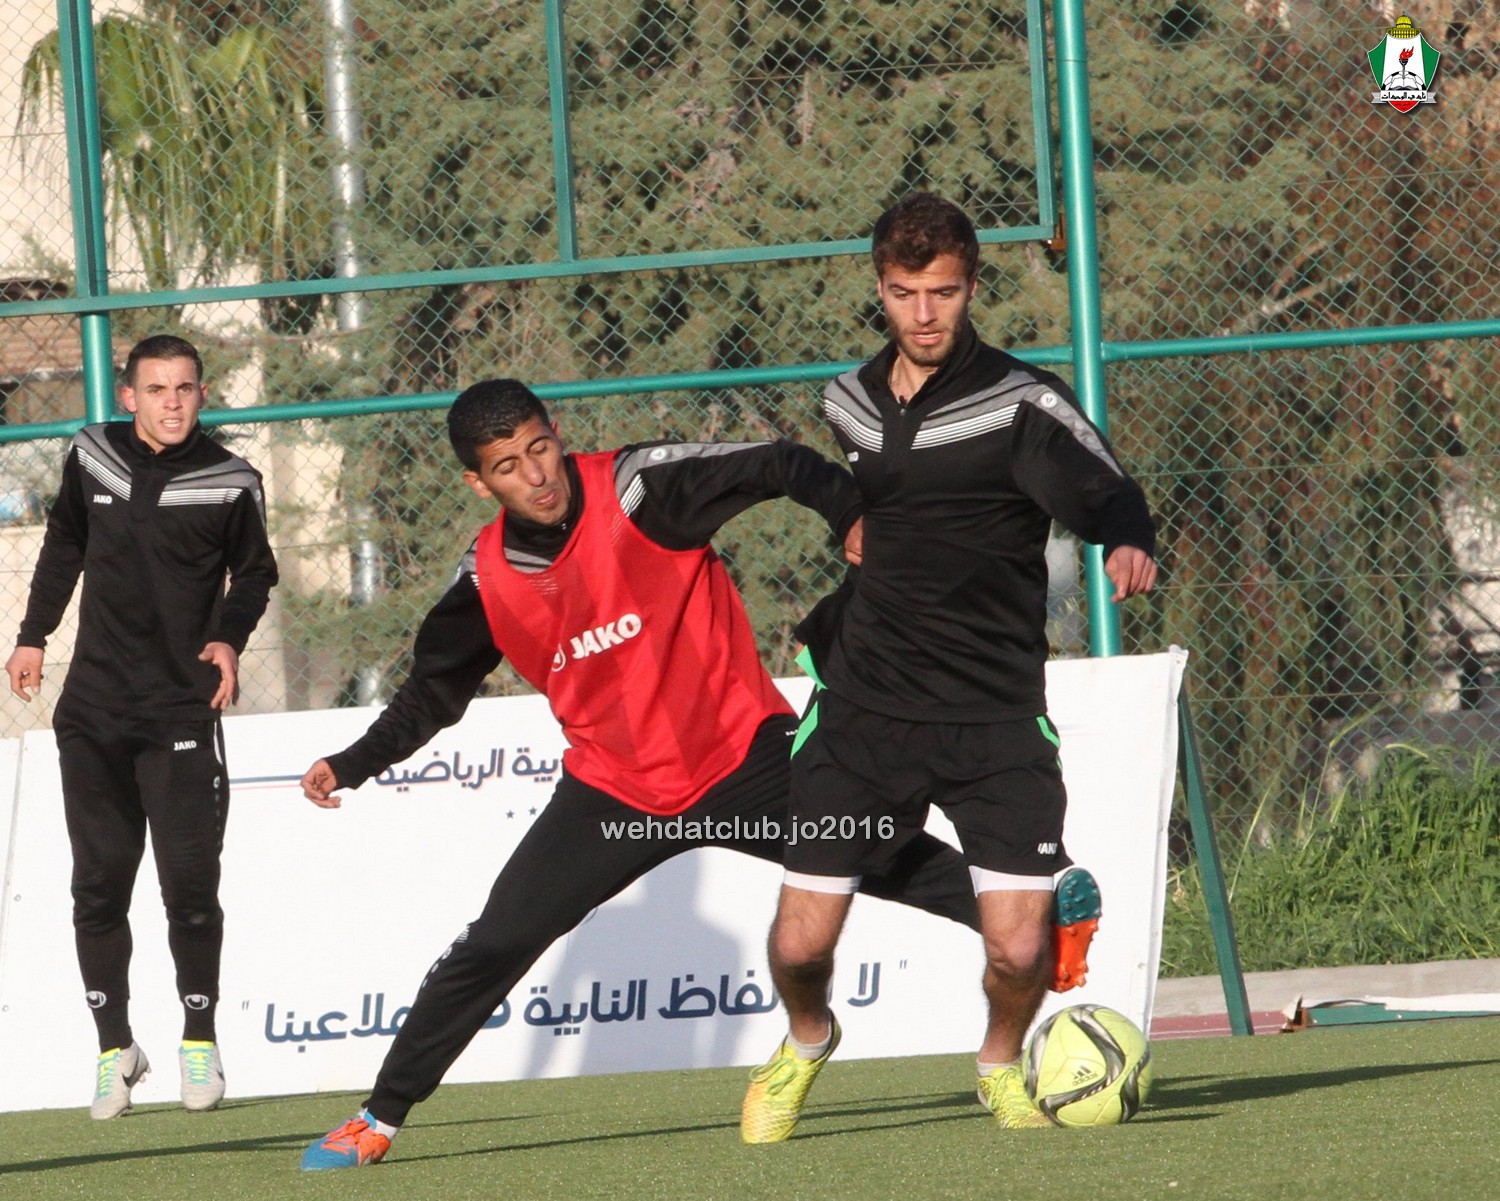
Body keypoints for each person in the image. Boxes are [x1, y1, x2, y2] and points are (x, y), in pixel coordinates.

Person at [297, 378, 982, 1170]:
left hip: (740, 755)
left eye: (540, 447)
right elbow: (431, 696)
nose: (537, 474)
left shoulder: (640, 489)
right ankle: (377, 1117)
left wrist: (850, 513)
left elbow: (780, 463)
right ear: (479, 483)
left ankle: (1028, 908)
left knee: (879, 847)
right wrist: (353, 762)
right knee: (495, 941)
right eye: (508, 466)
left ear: (557, 432)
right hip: (615, 792)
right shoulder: (486, 580)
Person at [740, 193, 1158, 1142]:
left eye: (944, 292)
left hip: (993, 717)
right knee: (800, 943)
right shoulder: (847, 400)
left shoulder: (1021, 403)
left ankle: (1000, 1066)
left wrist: (1127, 537)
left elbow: (1103, 484)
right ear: (879, 289)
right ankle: (806, 1042)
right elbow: (864, 488)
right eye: (904, 293)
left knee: (1017, 948)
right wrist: (851, 522)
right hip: (864, 710)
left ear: (972, 286)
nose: (924, 314)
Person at [5, 334, 278, 1119]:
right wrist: (33, 634)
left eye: (184, 388)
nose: (171, 402)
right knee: (97, 887)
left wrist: (228, 635)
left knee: (189, 889)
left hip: (180, 712)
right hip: (92, 710)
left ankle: (200, 1039)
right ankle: (114, 1048)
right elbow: (65, 540)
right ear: (128, 396)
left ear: (202, 394)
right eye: (156, 389)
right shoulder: (91, 454)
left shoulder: (232, 479)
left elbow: (256, 572)